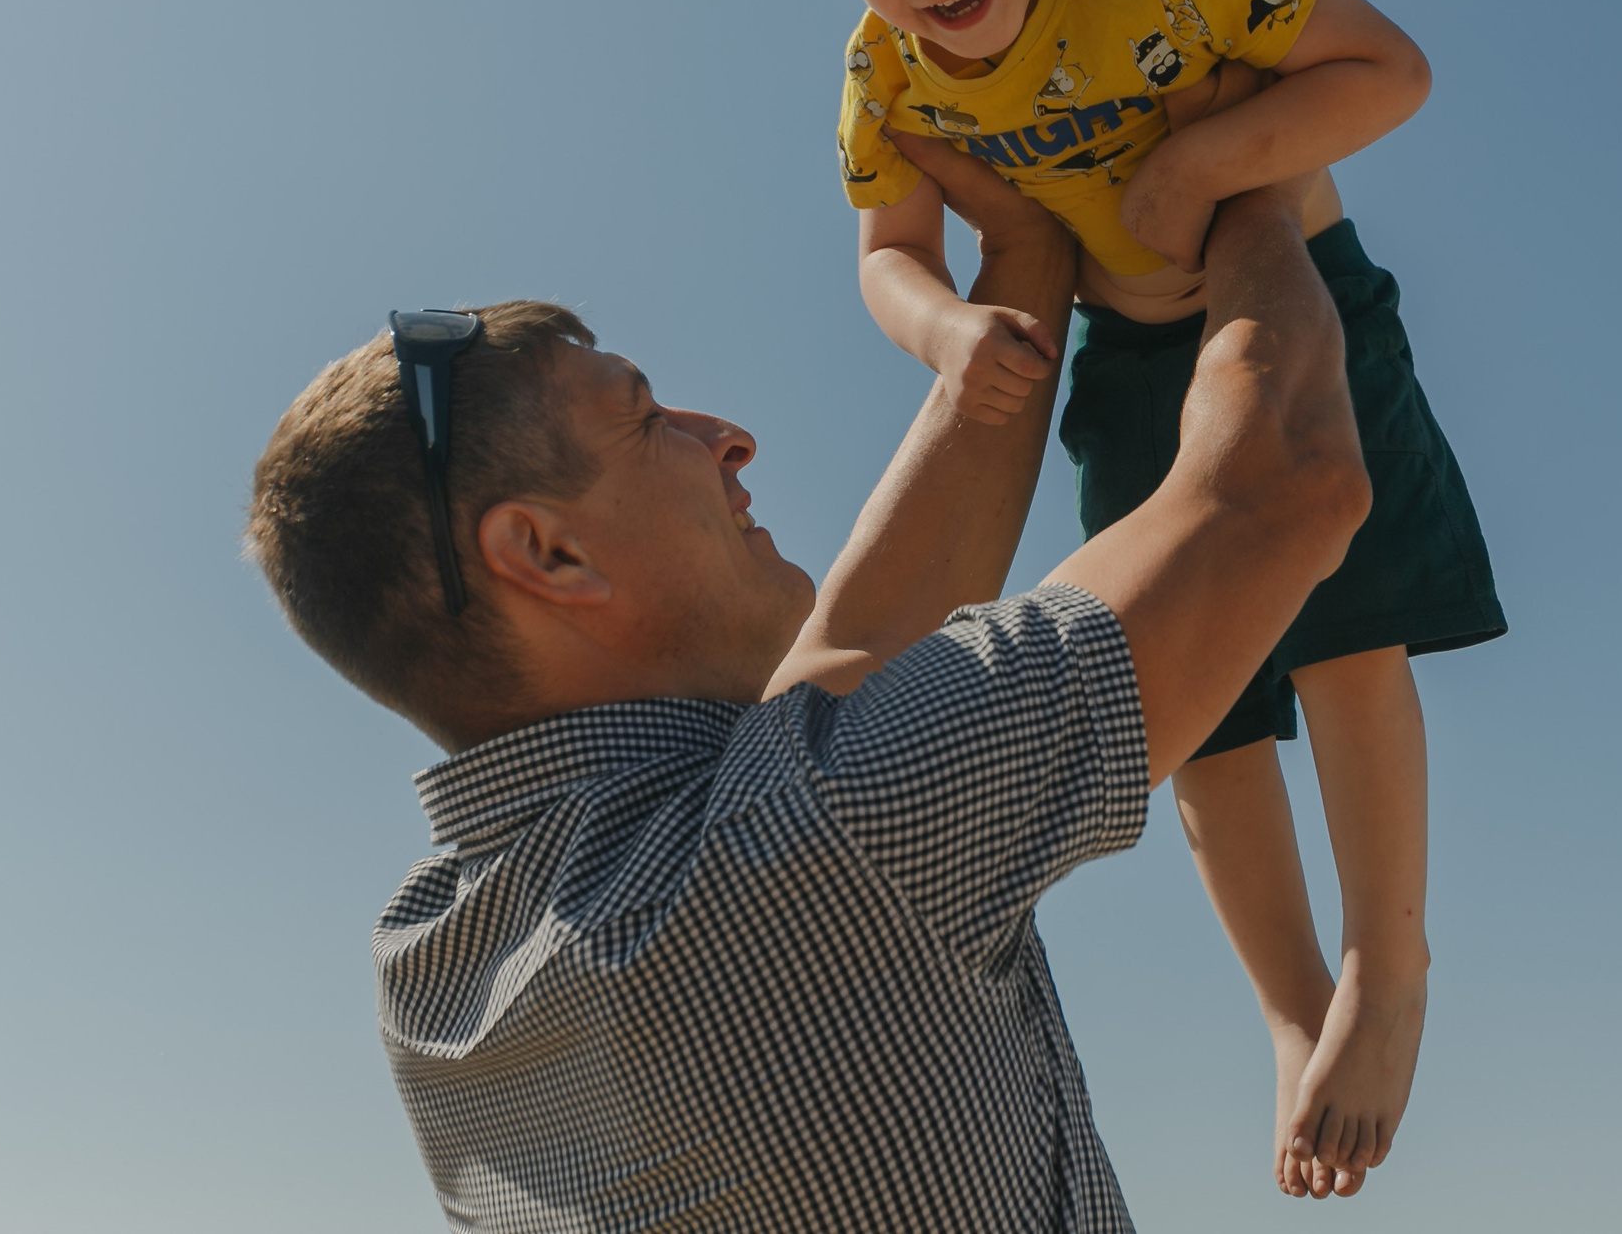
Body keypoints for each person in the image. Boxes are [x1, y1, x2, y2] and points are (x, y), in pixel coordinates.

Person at [689, 0, 1506, 1191]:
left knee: (1343, 626)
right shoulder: (885, 72)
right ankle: (1288, 1006)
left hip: (1294, 287)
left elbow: (1384, 71)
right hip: (1129, 353)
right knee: (1185, 701)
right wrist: (949, 329)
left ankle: (1385, 954)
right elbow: (886, 254)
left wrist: (1207, 170)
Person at [243, 140, 1374, 1230]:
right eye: (646, 419)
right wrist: (1242, 168)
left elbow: (858, 637)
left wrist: (1020, 247)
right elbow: (1282, 474)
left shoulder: (432, 967)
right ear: (547, 555)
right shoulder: (815, 839)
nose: (724, 437)